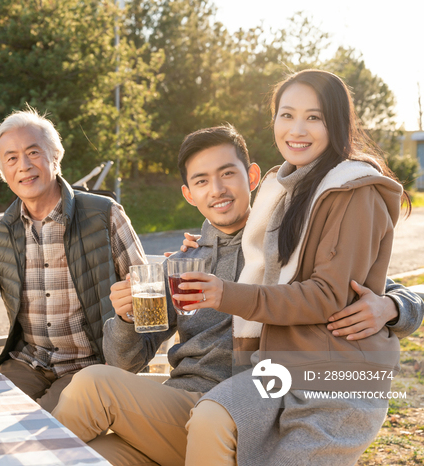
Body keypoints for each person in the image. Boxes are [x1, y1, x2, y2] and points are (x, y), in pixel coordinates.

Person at [52, 124, 423, 465]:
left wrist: (391, 306)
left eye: (227, 173)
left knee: (93, 393)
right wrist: (127, 318)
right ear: (189, 194)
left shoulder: (289, 246)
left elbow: (375, 288)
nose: (217, 189)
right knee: (88, 437)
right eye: (202, 181)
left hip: (253, 409)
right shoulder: (182, 264)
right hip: (180, 407)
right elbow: (125, 363)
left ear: (253, 177)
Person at [177, 69, 413, 465]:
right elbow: (256, 252)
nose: (296, 129)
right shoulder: (286, 189)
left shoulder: (356, 191)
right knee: (211, 415)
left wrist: (224, 292)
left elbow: (326, 295)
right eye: (286, 115)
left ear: (336, 123)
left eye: (314, 117)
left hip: (336, 376)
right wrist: (200, 244)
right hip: (279, 367)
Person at [0, 107, 146, 412]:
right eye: (11, 158)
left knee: (38, 427)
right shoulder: (0, 230)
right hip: (27, 362)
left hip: (90, 366)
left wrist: (129, 347)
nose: (23, 166)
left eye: (33, 152)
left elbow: (144, 289)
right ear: (2, 171)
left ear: (55, 158)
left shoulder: (105, 214)